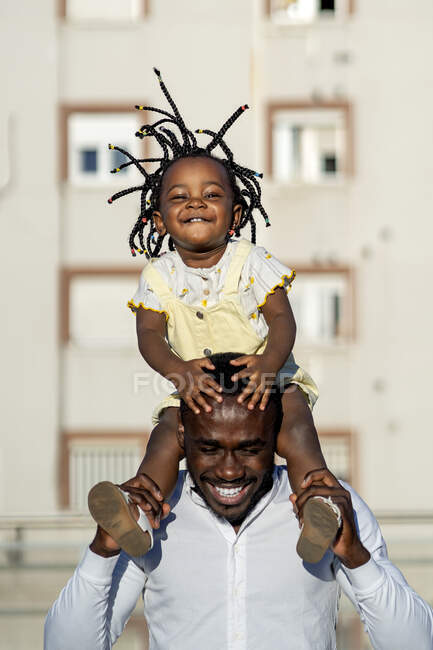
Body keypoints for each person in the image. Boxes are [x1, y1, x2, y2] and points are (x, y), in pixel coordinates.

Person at [88, 68, 339, 564]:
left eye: (211, 194)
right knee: (166, 434)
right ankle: (139, 509)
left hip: (264, 379)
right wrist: (176, 372)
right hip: (197, 384)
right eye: (179, 196)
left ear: (237, 214)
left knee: (297, 424)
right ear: (158, 217)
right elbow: (150, 334)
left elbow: (283, 320)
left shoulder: (252, 262)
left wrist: (270, 365)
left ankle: (318, 503)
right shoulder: (157, 276)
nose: (196, 202)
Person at [45, 353, 433, 650]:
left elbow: (416, 643)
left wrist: (355, 557)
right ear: (182, 439)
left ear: (278, 440)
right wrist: (101, 552)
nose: (229, 471)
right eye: (210, 448)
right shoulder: (149, 515)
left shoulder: (330, 508)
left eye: (249, 449)